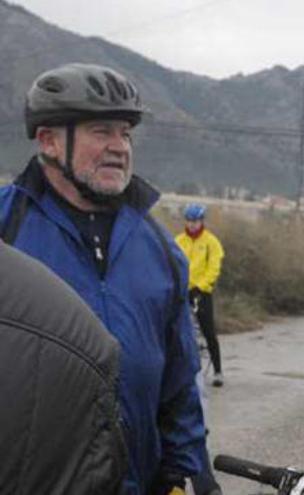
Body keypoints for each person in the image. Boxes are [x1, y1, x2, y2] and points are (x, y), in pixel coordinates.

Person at [0, 63, 206, 495]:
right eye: (101, 131)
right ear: (49, 141)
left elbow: (180, 385)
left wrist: (186, 475)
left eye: (125, 134)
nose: (120, 147)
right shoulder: (6, 227)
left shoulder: (159, 246)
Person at [0, 241, 126, 494]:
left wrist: (184, 465)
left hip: (124, 450)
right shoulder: (17, 216)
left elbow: (180, 371)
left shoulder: (157, 244)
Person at [176, 202, 225, 387]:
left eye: (195, 221)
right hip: (182, 291)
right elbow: (172, 263)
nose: (192, 224)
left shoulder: (211, 242)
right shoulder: (179, 240)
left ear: (201, 221)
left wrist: (201, 286)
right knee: (179, 332)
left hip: (202, 292)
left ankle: (218, 371)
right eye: (189, 221)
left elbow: (214, 267)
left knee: (208, 331)